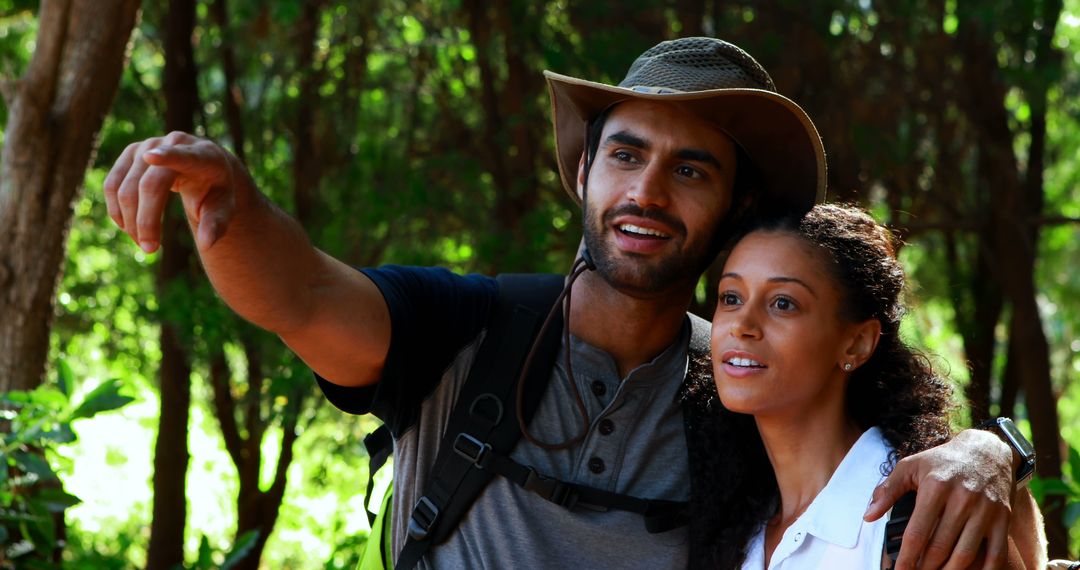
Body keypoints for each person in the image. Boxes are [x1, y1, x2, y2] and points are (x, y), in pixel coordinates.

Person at [104, 37, 1031, 569]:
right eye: (626, 155)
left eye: (690, 169)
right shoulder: (459, 331)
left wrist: (995, 446)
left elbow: (878, 434)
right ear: (584, 172)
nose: (648, 192)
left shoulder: (743, 383)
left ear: (737, 209)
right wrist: (228, 205)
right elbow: (302, 290)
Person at [686, 203, 1046, 569]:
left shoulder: (926, 519)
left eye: (783, 303)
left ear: (856, 343)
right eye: (731, 297)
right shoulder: (735, 526)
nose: (741, 324)